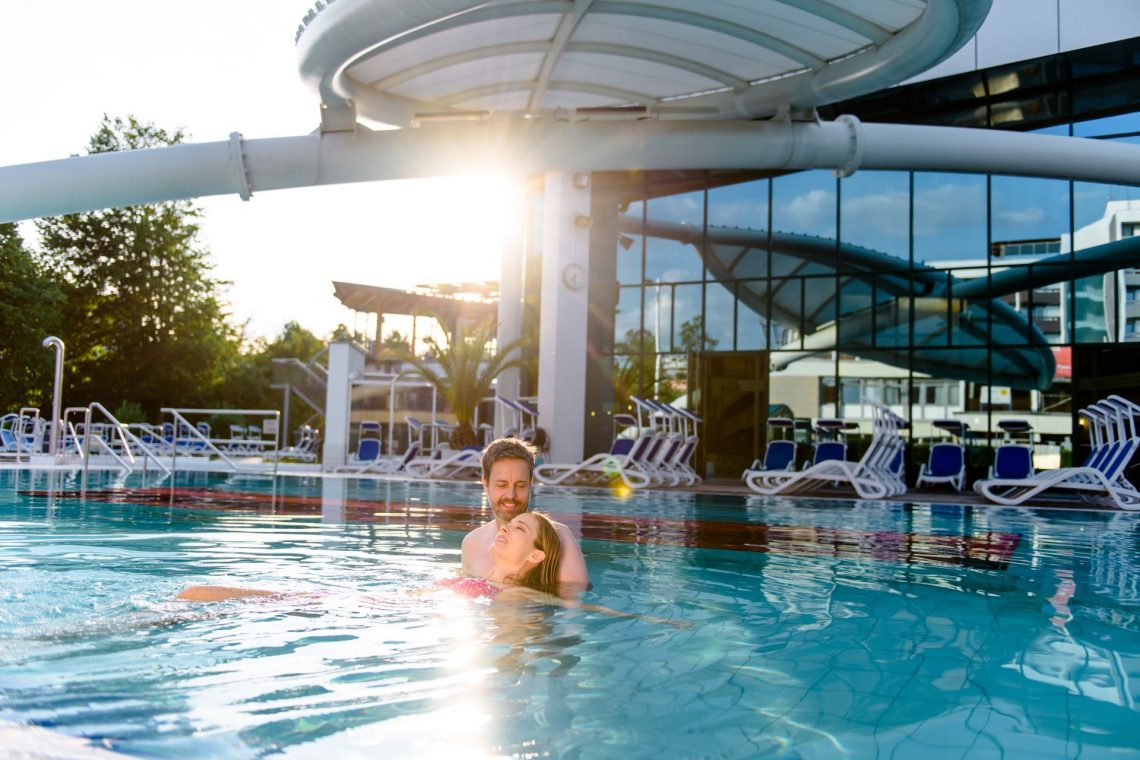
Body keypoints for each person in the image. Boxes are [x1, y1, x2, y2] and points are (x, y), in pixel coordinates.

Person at [461, 438, 589, 595]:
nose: (511, 495)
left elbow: (573, 608)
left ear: (530, 483)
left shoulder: (559, 537)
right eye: (501, 485)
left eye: (521, 485)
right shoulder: (471, 543)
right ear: (485, 484)